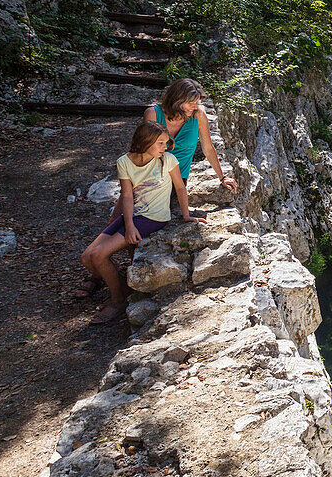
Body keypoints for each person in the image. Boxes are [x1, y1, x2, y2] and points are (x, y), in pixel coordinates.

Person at [74, 78, 236, 299]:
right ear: (177, 100)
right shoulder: (153, 113)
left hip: (173, 178)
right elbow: (141, 147)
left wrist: (222, 176)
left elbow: (208, 147)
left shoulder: (198, 117)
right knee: (118, 213)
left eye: (197, 103)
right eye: (191, 103)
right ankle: (100, 272)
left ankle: (116, 274)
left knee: (132, 215)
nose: (195, 107)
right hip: (144, 177)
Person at [80, 120, 206, 324]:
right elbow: (127, 197)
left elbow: (180, 188)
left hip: (153, 218)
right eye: (160, 143)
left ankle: (118, 300)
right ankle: (123, 286)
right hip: (132, 216)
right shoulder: (125, 162)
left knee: (99, 255)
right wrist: (128, 224)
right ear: (145, 142)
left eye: (166, 143)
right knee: (86, 257)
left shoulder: (168, 160)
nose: (165, 147)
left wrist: (186, 215)